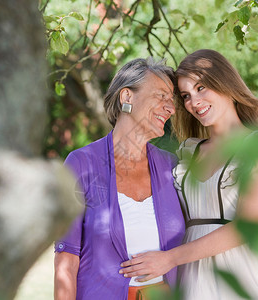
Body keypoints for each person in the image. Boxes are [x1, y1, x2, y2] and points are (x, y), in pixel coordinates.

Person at [119, 49, 258, 300]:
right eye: (185, 95)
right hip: (186, 275)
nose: (193, 102)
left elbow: (244, 227)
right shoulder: (188, 152)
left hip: (237, 276)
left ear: (225, 83)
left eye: (201, 88)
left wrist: (169, 259)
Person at [54, 58, 185, 300]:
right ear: (127, 97)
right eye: (160, 96)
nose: (171, 108)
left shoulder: (172, 166)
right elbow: (66, 260)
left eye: (172, 100)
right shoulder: (81, 164)